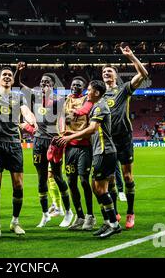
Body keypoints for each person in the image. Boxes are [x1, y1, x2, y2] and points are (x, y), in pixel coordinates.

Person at [0, 61, 37, 237]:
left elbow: (26, 111)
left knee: (18, 185)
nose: (8, 77)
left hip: (14, 144)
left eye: (10, 75)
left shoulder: (18, 97)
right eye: (4, 75)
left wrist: (31, 119)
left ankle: (15, 222)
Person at [58, 80, 122, 238]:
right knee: (98, 188)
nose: (87, 93)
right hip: (101, 151)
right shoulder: (95, 106)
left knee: (99, 189)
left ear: (97, 93)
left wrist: (71, 136)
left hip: (104, 151)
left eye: (89, 90)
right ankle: (108, 222)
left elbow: (92, 129)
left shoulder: (100, 106)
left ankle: (114, 224)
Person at [15, 62, 73, 228]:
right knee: (41, 179)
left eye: (47, 82)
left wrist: (62, 136)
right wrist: (19, 71)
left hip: (53, 141)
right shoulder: (35, 97)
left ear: (53, 85)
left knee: (57, 176)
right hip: (39, 141)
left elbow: (61, 118)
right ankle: (45, 214)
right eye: (42, 82)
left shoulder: (59, 100)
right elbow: (17, 85)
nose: (43, 84)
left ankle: (68, 212)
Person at [102, 45, 149, 229]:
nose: (106, 73)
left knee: (128, 177)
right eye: (104, 71)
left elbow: (143, 74)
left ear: (115, 75)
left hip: (124, 139)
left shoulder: (123, 90)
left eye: (109, 71)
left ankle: (130, 212)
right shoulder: (98, 94)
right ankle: (114, 212)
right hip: (107, 140)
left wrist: (131, 57)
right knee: (111, 179)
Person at [59, 77, 96, 230]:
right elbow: (61, 118)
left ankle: (90, 216)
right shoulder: (66, 101)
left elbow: (86, 118)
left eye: (79, 85)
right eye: (73, 84)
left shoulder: (88, 101)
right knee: (71, 182)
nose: (75, 87)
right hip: (70, 148)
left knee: (83, 180)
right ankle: (79, 216)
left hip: (84, 146)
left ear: (83, 88)